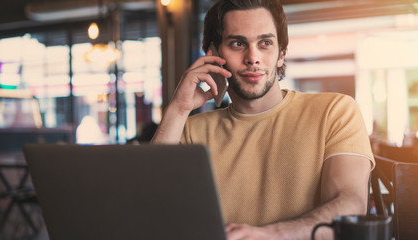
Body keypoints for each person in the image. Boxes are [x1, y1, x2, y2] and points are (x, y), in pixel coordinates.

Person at [152, 0, 374, 239]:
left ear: (281, 55)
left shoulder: (335, 112)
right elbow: (146, 204)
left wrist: (270, 234)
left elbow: (349, 205)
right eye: (238, 43)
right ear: (214, 55)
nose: (253, 57)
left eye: (265, 43)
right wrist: (178, 108)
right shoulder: (191, 130)